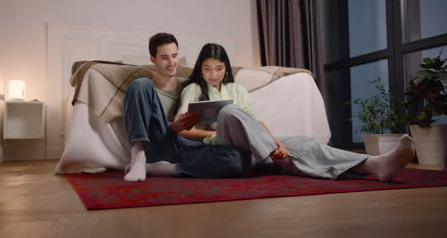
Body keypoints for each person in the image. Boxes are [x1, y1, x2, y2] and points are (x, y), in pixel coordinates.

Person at [174, 43, 415, 182]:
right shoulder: (193, 89)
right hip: (222, 147)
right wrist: (211, 137)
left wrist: (275, 142)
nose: (213, 74)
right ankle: (277, 157)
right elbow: (182, 128)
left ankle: (375, 165)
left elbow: (256, 121)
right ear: (200, 69)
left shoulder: (237, 89)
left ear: (226, 69)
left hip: (255, 146)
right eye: (208, 69)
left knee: (306, 143)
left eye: (218, 68)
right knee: (228, 111)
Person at [123, 33, 243, 182]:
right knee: (139, 84)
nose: (171, 62)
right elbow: (153, 128)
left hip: (187, 147)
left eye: (174, 56)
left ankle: (163, 169)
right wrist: (175, 126)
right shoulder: (145, 90)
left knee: (234, 158)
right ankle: (138, 157)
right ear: (153, 60)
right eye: (164, 57)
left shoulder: (190, 86)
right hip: (160, 144)